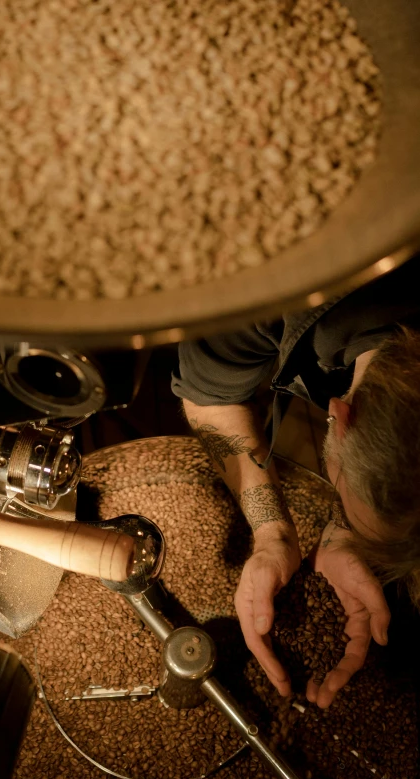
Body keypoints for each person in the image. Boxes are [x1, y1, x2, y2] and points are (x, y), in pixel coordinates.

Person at [171, 254, 420, 709]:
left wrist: (338, 534)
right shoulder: (270, 282)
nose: (339, 511)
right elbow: (210, 400)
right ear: (341, 418)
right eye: (345, 505)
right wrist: (270, 532)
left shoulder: (359, 415)